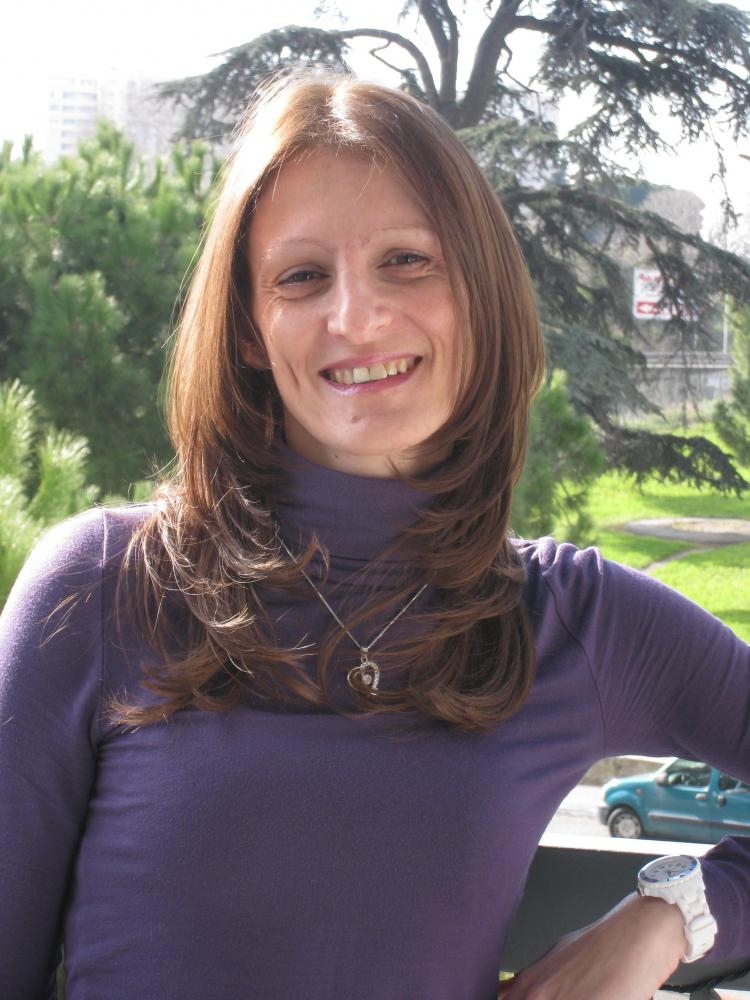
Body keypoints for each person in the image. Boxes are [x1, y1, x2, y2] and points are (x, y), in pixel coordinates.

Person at [1, 69, 749, 1000]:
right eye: (301, 277)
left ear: (478, 291)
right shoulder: (104, 584)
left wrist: (671, 916)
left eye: (407, 260)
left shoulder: (576, 622)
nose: (355, 317)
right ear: (249, 329)